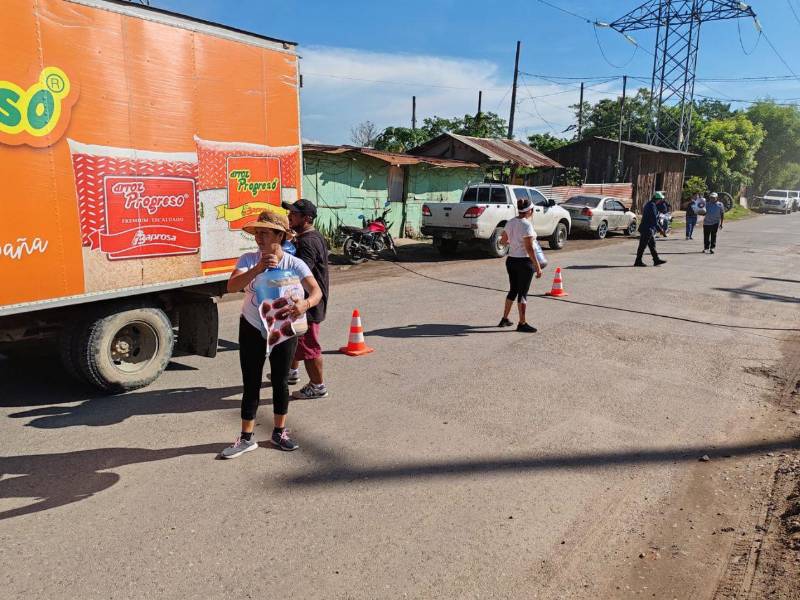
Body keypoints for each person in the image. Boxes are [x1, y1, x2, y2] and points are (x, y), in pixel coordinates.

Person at [221, 210, 323, 458]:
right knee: (251, 382)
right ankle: (246, 438)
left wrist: (305, 305)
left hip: (284, 330)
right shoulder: (248, 259)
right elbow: (232, 286)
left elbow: (316, 291)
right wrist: (257, 268)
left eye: (265, 233)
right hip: (252, 327)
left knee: (280, 381)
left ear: (280, 236)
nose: (259, 238)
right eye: (257, 233)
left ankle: (279, 432)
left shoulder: (294, 263)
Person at [282, 199, 330, 400]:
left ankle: (318, 386)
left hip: (308, 304)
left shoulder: (307, 242)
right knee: (293, 337)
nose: (289, 216)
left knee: (309, 346)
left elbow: (299, 274)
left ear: (307, 218)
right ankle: (291, 373)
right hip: (304, 302)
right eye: (289, 212)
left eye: (294, 214)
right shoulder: (309, 237)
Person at [498, 196, 543, 333]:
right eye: (532, 209)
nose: (533, 212)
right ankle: (522, 323)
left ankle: (504, 319)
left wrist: (514, 242)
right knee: (522, 293)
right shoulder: (527, 225)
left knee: (513, 290)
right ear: (529, 211)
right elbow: (529, 248)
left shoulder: (510, 222)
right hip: (524, 262)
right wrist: (538, 267)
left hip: (511, 260)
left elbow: (503, 241)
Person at [634, 192, 668, 267]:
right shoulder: (652, 206)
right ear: (657, 199)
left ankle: (656, 260)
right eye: (660, 199)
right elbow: (654, 220)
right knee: (642, 246)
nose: (661, 201)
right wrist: (661, 230)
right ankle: (638, 261)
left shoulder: (650, 204)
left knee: (652, 245)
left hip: (648, 228)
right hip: (647, 229)